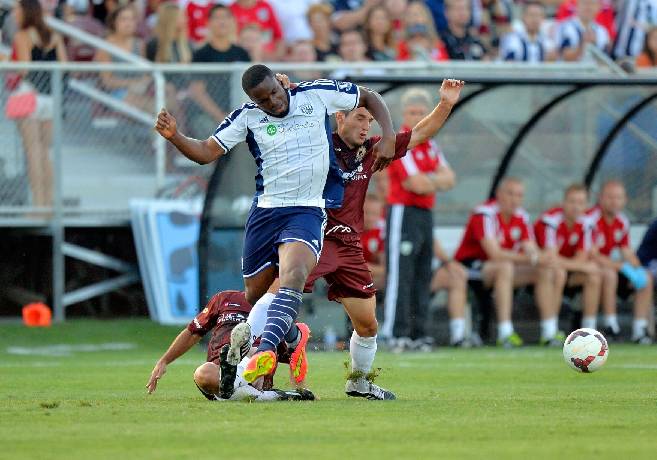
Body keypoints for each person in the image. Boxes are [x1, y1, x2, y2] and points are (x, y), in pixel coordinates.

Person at [154, 64, 397, 387]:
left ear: (281, 83)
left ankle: (262, 352)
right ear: (254, 101)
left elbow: (368, 96)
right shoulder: (247, 118)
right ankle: (293, 337)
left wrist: (390, 135)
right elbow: (205, 152)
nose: (274, 102)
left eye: (275, 92)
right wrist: (175, 137)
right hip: (266, 213)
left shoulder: (315, 95)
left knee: (293, 275)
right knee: (255, 294)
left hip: (307, 210)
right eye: (264, 99)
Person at [302, 78, 465, 398]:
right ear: (339, 117)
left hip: (348, 247)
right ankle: (248, 369)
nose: (365, 126)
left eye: (369, 120)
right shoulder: (318, 144)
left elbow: (418, 134)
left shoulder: (371, 151)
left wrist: (445, 104)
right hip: (313, 238)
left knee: (368, 326)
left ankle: (359, 382)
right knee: (277, 298)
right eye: (359, 118)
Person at [381, 87, 456, 348]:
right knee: (400, 274)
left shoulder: (431, 144)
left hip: (425, 213)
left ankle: (418, 332)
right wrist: (435, 180)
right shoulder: (401, 141)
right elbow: (415, 183)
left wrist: (430, 181)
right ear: (404, 113)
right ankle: (395, 332)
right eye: (413, 112)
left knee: (423, 273)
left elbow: (450, 178)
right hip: (403, 212)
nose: (417, 117)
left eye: (423, 113)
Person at [454, 178, 567, 347]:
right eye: (510, 194)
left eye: (519, 195)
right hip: (471, 266)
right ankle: (505, 333)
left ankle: (550, 333)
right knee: (505, 267)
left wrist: (542, 258)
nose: (515, 199)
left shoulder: (521, 216)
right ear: (499, 194)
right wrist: (533, 258)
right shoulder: (484, 213)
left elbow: (530, 247)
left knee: (549, 271)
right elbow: (495, 254)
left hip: (502, 268)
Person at [146, 289, 314, 401]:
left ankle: (239, 382)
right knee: (203, 373)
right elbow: (192, 332)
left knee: (255, 352)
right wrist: (164, 361)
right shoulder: (224, 299)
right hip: (217, 377)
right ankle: (268, 395)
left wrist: (301, 388)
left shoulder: (277, 311)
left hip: (256, 377)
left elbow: (295, 353)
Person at [11, 0, 67, 210]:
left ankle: (38, 205)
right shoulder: (54, 35)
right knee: (44, 152)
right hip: (50, 98)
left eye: (17, 9)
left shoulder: (22, 36)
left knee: (33, 152)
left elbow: (25, 69)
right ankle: (49, 203)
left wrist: (9, 61)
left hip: (30, 95)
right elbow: (63, 65)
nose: (14, 13)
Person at [587, 180, 654, 344]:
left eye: (618, 197)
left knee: (646, 277)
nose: (614, 201)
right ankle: (611, 326)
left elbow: (626, 251)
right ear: (600, 198)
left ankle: (640, 330)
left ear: (624, 200)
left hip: (610, 266)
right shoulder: (591, 219)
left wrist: (636, 269)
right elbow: (591, 254)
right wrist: (621, 266)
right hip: (592, 268)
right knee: (610, 274)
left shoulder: (622, 221)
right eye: (610, 197)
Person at [534, 184, 602, 330]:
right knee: (557, 273)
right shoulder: (550, 221)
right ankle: (550, 330)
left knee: (594, 276)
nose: (576, 207)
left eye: (580, 203)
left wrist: (581, 265)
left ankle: (589, 330)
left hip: (567, 270)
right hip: (539, 270)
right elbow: (550, 259)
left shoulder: (587, 224)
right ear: (563, 202)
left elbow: (581, 258)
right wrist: (583, 266)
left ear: (586, 206)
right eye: (572, 202)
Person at [188, 5, 250, 140]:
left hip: (239, 115)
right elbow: (197, 91)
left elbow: (250, 88)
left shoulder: (242, 53)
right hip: (207, 116)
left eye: (226, 17)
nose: (222, 21)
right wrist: (222, 117)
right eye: (217, 18)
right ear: (208, 23)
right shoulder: (201, 54)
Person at [94, 4, 150, 110]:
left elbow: (146, 74)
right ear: (114, 22)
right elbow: (107, 81)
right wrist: (132, 84)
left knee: (169, 94)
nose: (128, 23)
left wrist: (143, 84)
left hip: (141, 91)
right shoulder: (105, 46)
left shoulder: (140, 44)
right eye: (123, 19)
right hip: (114, 94)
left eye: (131, 19)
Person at [430, 238, 470, 346]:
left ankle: (458, 336)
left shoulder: (422, 222)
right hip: (396, 278)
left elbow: (431, 239)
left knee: (456, 277)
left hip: (422, 275)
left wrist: (450, 264)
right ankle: (391, 333)